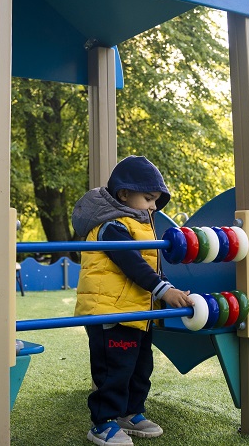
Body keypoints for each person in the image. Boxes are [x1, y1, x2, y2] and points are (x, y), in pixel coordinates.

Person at [71, 156, 193, 446]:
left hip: (136, 312)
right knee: (114, 369)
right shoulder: (110, 225)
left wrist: (164, 292)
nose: (153, 207)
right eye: (148, 198)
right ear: (124, 194)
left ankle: (130, 412)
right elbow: (133, 264)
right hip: (110, 312)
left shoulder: (139, 224)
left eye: (156, 201)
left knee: (140, 367)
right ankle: (102, 423)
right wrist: (164, 290)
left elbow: (151, 265)